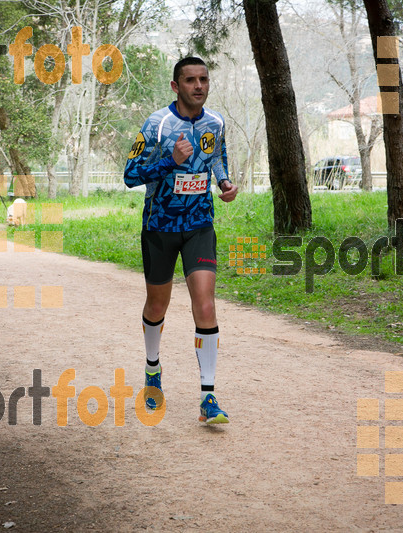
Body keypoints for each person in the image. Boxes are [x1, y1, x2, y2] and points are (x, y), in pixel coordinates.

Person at [123, 56, 239, 424]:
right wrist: (170, 161)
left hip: (199, 224)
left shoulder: (215, 122)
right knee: (158, 306)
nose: (199, 86)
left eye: (203, 79)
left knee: (205, 305)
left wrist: (223, 182)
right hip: (159, 227)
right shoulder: (157, 124)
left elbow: (216, 157)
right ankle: (152, 372)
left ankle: (208, 397)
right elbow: (130, 174)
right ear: (176, 86)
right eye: (190, 80)